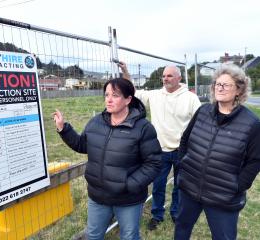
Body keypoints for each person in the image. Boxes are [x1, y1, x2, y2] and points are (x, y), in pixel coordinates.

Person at [53, 78, 162, 240]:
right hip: (98, 196)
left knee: (130, 236)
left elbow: (153, 163)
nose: (109, 99)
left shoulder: (143, 128)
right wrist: (64, 129)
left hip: (128, 199)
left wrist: (129, 184)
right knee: (93, 235)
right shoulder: (96, 122)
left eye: (115, 95)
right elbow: (82, 145)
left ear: (128, 99)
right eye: (106, 95)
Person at [174, 63, 260, 240]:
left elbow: (255, 160)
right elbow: (185, 140)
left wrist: (237, 186)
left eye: (226, 84)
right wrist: (183, 165)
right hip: (190, 187)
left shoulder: (251, 123)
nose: (219, 88)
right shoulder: (203, 111)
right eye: (217, 84)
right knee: (182, 228)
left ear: (238, 90)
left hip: (223, 196)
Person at [119, 62, 201, 230]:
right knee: (158, 186)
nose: (165, 79)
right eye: (163, 76)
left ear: (179, 78)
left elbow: (199, 122)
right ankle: (157, 214)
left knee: (180, 185)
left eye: (169, 75)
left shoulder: (190, 98)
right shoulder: (155, 95)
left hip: (182, 151)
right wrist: (126, 72)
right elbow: (132, 91)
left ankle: (176, 213)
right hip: (159, 150)